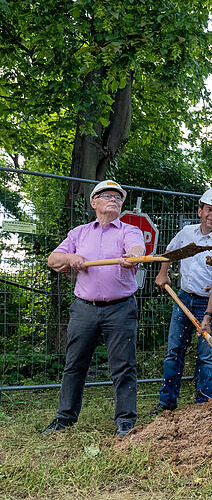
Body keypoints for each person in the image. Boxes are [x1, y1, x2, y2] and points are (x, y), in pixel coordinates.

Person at [43, 180, 145, 437]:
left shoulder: (128, 231)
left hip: (120, 309)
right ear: (94, 202)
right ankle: (64, 418)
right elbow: (53, 260)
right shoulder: (79, 234)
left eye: (118, 197)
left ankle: (125, 421)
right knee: (74, 365)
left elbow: (137, 250)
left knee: (124, 366)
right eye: (107, 196)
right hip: (84, 309)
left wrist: (131, 258)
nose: (114, 200)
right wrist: (70, 258)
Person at [151, 188, 212, 413]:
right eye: (209, 209)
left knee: (208, 356)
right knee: (175, 350)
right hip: (185, 298)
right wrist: (163, 273)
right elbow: (170, 252)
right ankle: (167, 403)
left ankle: (203, 407)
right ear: (200, 211)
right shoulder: (187, 233)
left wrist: (208, 317)